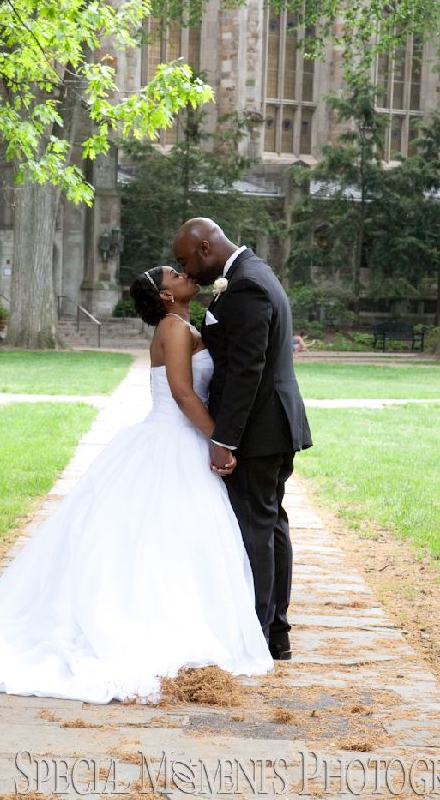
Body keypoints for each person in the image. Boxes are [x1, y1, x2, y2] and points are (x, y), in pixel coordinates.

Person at [0, 265, 272, 703]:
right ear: (166, 297)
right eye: (174, 274)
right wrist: (219, 441)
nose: (185, 273)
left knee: (174, 540)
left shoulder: (184, 324)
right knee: (160, 537)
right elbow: (183, 393)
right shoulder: (173, 328)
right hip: (172, 439)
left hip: (179, 441)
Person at [173, 218, 312, 661]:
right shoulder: (251, 273)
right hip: (273, 424)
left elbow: (248, 369)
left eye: (184, 260)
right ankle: (275, 632)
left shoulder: (246, 284)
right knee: (270, 524)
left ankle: (257, 632)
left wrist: (225, 440)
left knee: (255, 527)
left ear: (203, 247)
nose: (185, 271)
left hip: (259, 430)